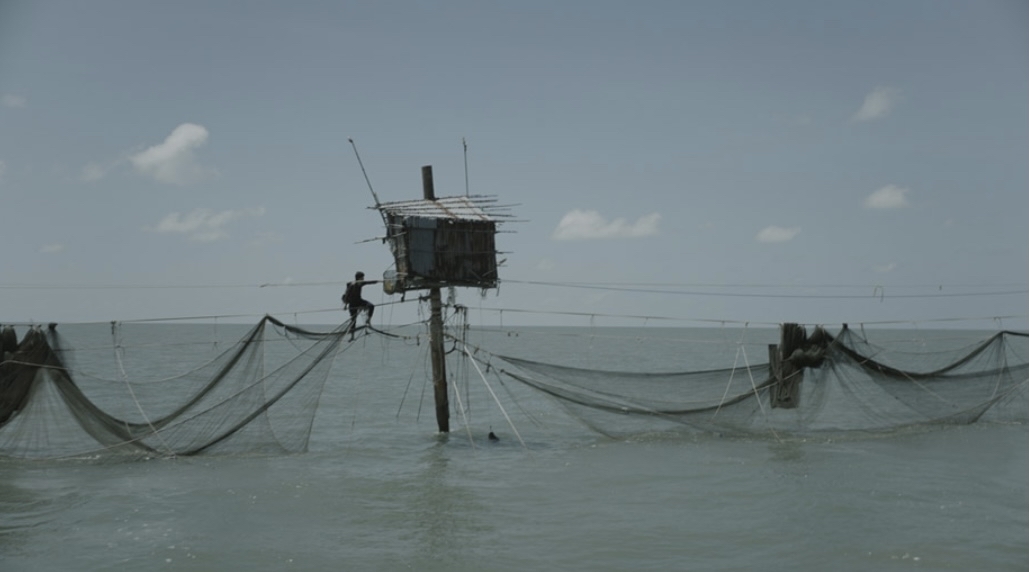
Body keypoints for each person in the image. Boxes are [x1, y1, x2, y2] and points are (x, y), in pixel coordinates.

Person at [343, 271, 378, 339]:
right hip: (352, 304)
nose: (363, 279)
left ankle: (368, 320)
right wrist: (345, 305)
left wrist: (377, 281)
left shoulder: (361, 283)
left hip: (359, 301)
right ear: (359, 278)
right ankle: (352, 336)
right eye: (362, 277)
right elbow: (346, 295)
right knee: (353, 320)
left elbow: (369, 282)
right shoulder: (351, 284)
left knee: (371, 306)